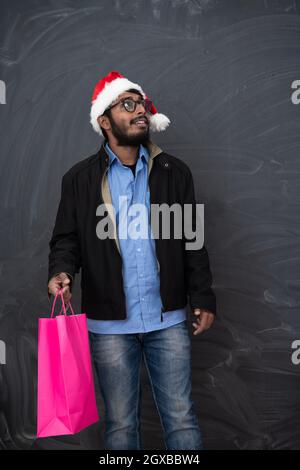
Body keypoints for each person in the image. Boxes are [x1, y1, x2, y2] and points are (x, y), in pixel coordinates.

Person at [47, 70, 217, 450]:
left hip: (167, 319)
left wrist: (203, 296)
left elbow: (193, 238)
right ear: (104, 121)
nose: (140, 110)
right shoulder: (79, 180)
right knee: (121, 427)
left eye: (142, 102)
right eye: (128, 104)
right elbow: (66, 239)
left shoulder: (175, 173)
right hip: (109, 326)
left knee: (181, 417)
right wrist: (61, 270)